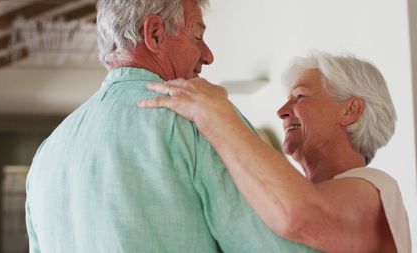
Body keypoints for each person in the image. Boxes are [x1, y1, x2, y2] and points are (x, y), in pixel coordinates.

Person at [25, 0, 319, 252]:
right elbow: (282, 244)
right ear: (154, 33)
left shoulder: (46, 155)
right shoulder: (200, 117)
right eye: (197, 36)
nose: (208, 55)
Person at [139, 51, 412, 253]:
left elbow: (298, 214)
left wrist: (216, 113)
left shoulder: (377, 187)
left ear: (350, 110)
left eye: (300, 97)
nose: (282, 111)